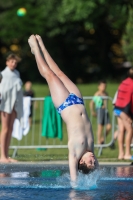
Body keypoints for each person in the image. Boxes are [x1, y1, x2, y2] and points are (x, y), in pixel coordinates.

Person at [28, 34, 99, 183]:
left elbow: (74, 177)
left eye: (90, 162)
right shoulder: (91, 149)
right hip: (78, 100)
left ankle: (35, 50)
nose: (94, 160)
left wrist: (75, 188)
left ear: (81, 162)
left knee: (50, 75)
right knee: (59, 73)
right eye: (94, 163)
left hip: (65, 104)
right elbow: (95, 169)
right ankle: (41, 46)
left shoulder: (76, 153)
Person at [0, 53, 23, 163]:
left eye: (15, 62)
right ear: (7, 62)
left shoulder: (16, 73)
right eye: (12, 61)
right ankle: (2, 156)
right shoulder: (3, 74)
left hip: (14, 104)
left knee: (10, 129)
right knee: (4, 129)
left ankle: (7, 155)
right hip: (5, 104)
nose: (13, 64)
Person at [114, 68, 133, 160]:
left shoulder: (124, 82)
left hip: (117, 108)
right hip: (124, 109)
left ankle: (121, 154)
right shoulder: (132, 84)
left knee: (121, 130)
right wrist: (129, 115)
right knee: (129, 129)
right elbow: (130, 99)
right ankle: (127, 153)